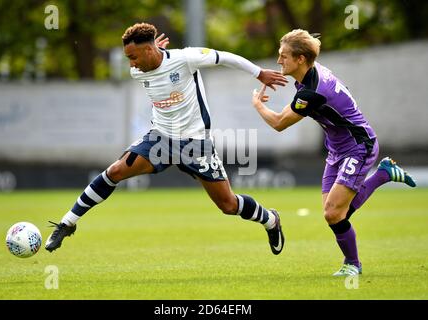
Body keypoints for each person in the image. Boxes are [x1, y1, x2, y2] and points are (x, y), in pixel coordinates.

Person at [45, 22, 289, 255]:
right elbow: (148, 64)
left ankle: (270, 219)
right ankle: (67, 223)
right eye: (129, 58)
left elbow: (224, 56)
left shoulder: (185, 59)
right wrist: (149, 56)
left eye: (134, 57)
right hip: (161, 140)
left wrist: (259, 73)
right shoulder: (138, 72)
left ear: (150, 49)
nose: (131, 64)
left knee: (228, 205)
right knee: (115, 171)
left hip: (196, 143)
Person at [251, 29, 416, 276]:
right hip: (337, 148)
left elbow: (279, 123)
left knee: (333, 212)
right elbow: (301, 102)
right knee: (335, 213)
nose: (278, 61)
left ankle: (353, 265)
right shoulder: (312, 75)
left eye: (283, 56)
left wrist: (258, 105)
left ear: (301, 59)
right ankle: (383, 174)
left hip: (359, 146)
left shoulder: (313, 91)